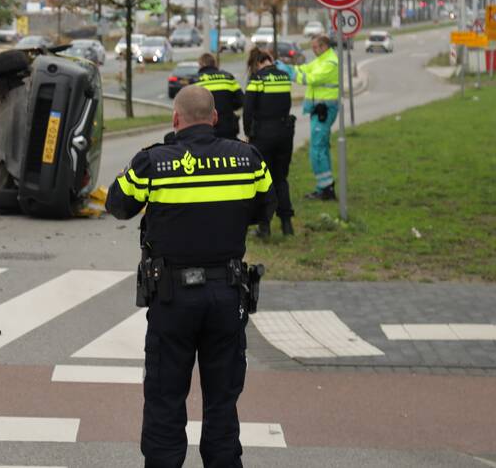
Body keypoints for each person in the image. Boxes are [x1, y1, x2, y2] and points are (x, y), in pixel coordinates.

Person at [106, 85, 275, 468]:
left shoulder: (153, 162)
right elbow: (266, 207)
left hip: (172, 298)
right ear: (215, 118)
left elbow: (118, 205)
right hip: (227, 294)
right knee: (222, 400)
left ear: (175, 119)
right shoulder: (247, 158)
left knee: (165, 397)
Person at [277, 34, 339, 200]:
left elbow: (310, 78)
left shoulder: (330, 63)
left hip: (324, 110)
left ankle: (326, 189)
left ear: (324, 46)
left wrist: (289, 73)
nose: (313, 50)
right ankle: (325, 186)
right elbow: (305, 69)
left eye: (315, 47)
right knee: (321, 148)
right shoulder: (321, 60)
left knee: (317, 150)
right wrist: (288, 67)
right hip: (318, 110)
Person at [244, 47, 296, 236]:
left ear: (257, 63)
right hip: (285, 133)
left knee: (262, 180)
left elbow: (248, 109)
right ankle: (287, 224)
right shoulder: (284, 76)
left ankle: (264, 226)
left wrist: (247, 132)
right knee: (281, 178)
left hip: (263, 135)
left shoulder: (257, 79)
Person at [190, 52, 244, 139]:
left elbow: (190, 107)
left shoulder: (195, 81)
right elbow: (241, 100)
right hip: (227, 128)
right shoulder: (228, 77)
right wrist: (228, 107)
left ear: (202, 64)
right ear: (214, 63)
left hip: (205, 129)